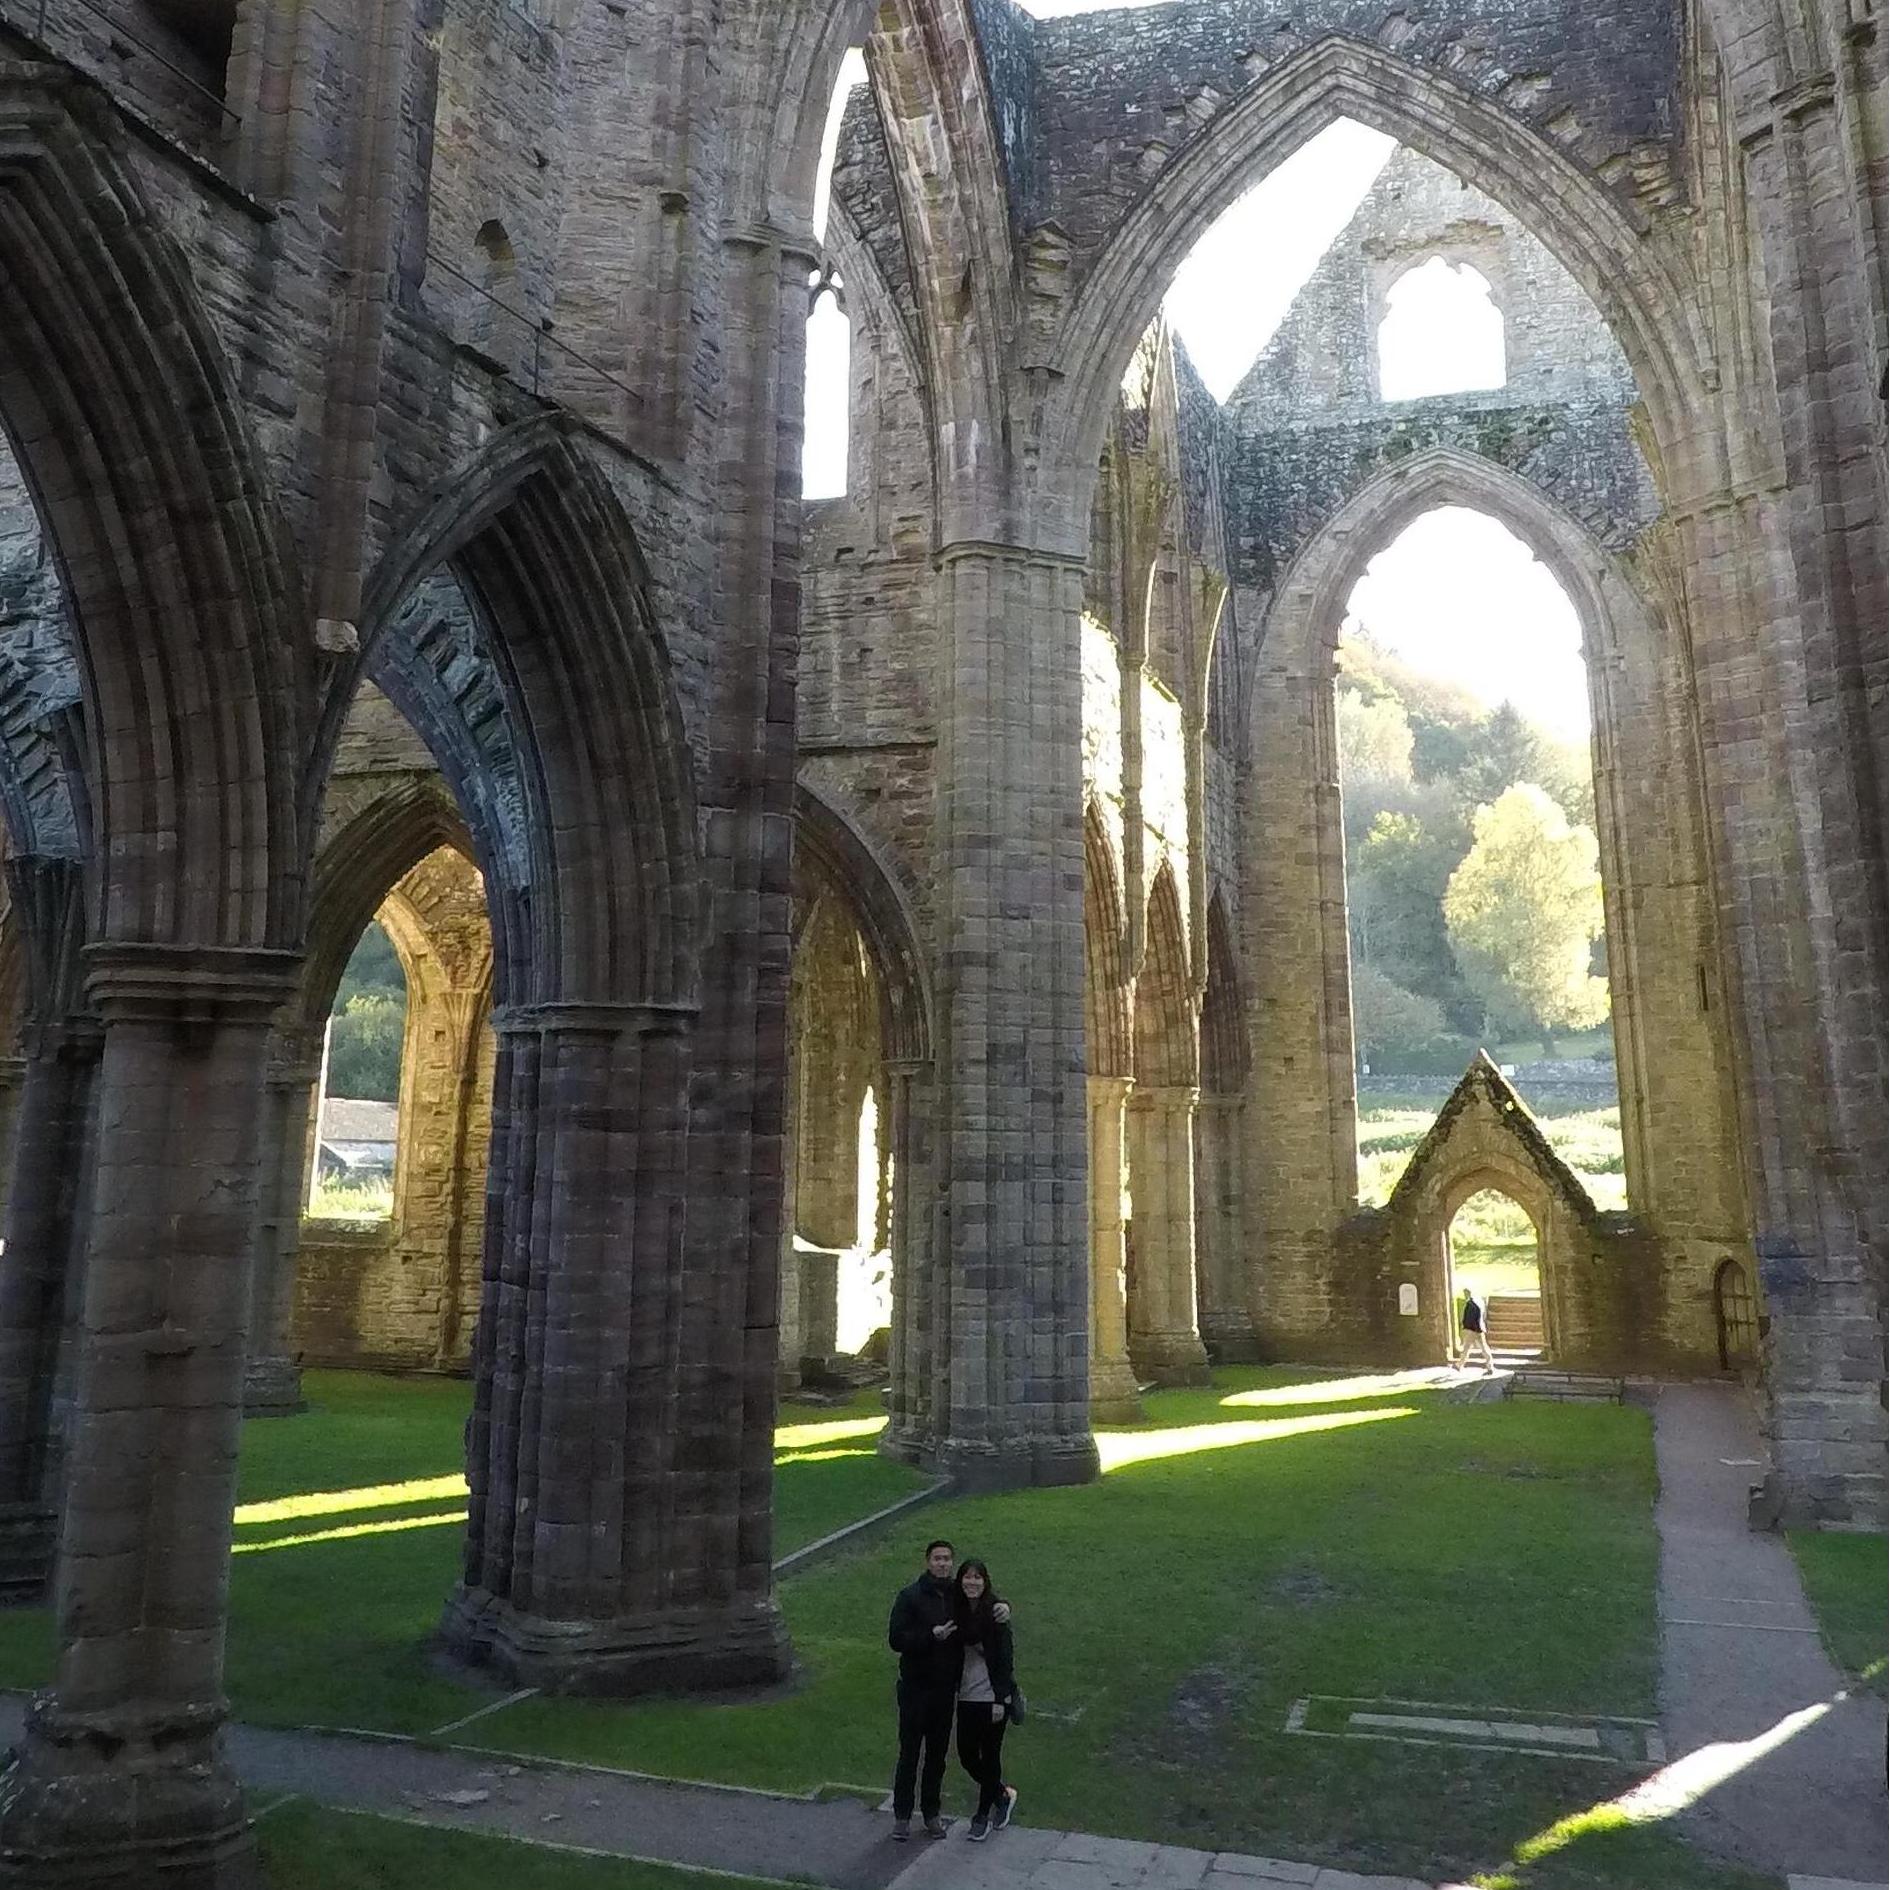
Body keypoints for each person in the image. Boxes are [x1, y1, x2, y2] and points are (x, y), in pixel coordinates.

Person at [952, 1558, 1018, 1842]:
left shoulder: (996, 1614)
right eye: (967, 1577)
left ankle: (982, 1816)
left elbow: (1005, 1660)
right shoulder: (957, 1611)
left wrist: (1000, 1700)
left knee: (990, 1755)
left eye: (977, 1577)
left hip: (991, 1696)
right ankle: (1001, 1794)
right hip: (966, 1695)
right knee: (967, 1755)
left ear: (985, 1581)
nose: (972, 1582)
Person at [1459, 1286, 1496, 1374]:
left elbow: (1470, 1318)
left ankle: (1459, 1365)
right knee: (1484, 1348)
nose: (1465, 1295)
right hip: (1479, 1329)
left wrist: (1466, 1326)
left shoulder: (1471, 1304)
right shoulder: (1478, 1303)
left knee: (1466, 1348)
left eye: (1465, 1293)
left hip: (1473, 1329)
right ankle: (1490, 1366)